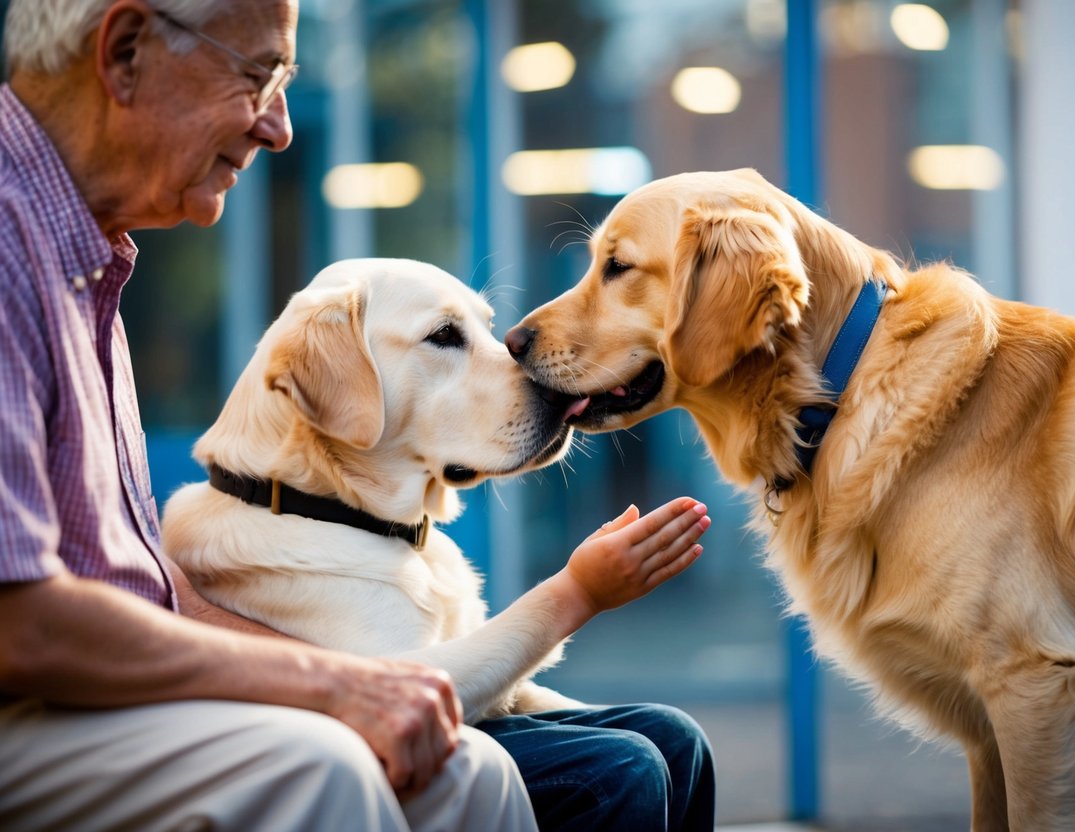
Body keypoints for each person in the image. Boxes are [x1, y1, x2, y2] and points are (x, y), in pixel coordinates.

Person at [0, 1, 716, 830]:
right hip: (37, 704)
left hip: (96, 691)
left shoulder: (85, 264)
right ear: (125, 52)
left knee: (494, 768)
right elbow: (21, 619)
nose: (280, 129)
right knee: (344, 765)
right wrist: (336, 685)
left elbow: (147, 594)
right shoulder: (17, 248)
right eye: (257, 76)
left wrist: (335, 679)